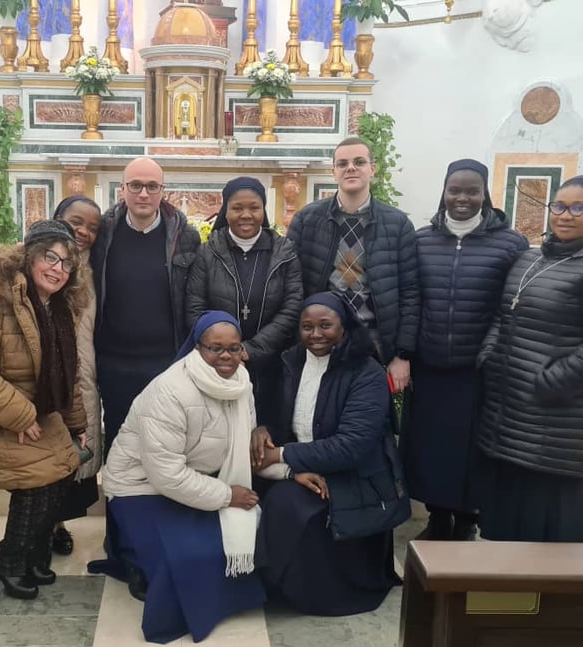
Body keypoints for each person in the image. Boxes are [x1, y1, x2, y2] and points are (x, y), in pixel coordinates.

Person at [89, 311, 266, 644]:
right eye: (215, 348)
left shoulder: (242, 383)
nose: (225, 356)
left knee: (231, 545)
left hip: (196, 482)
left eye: (233, 348)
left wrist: (285, 462)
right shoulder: (170, 390)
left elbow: (244, 443)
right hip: (140, 487)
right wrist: (228, 495)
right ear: (197, 348)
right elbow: (165, 475)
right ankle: (139, 564)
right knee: (184, 560)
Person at [0, 220, 87, 599]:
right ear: (28, 256)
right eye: (49, 257)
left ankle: (29, 554)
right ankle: (9, 559)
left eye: (66, 263)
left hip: (35, 412)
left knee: (62, 472)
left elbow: (68, 374)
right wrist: (21, 416)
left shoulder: (58, 307)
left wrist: (77, 425)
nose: (58, 269)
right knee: (40, 478)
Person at [252, 293, 405, 616]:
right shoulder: (290, 360)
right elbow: (267, 405)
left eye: (325, 326)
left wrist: (282, 455)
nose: (315, 334)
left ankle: (308, 592)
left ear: (345, 328)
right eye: (307, 327)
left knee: (289, 506)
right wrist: (261, 427)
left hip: (356, 477)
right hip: (302, 464)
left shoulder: (367, 372)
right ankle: (267, 584)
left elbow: (351, 446)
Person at [400, 159, 528, 540]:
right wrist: (408, 351)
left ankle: (469, 519)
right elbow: (413, 299)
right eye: (454, 189)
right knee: (432, 447)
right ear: (444, 191)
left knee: (472, 448)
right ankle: (438, 518)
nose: (462, 198)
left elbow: (510, 306)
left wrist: (489, 352)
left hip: (479, 367)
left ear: (485, 193)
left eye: (472, 190)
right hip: (430, 364)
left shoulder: (510, 243)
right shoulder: (421, 240)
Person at [477, 175, 583, 542]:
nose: (565, 215)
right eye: (559, 206)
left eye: (577, 208)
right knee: (508, 520)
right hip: (507, 414)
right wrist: (489, 354)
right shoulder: (529, 258)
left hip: (557, 423)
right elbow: (501, 314)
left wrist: (553, 380)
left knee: (547, 532)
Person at [287, 136, 419, 393]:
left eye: (359, 162)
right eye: (343, 163)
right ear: (333, 171)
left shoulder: (397, 224)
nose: (351, 168)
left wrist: (402, 355)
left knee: (368, 421)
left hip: (375, 346)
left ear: (373, 169)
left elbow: (411, 293)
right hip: (321, 343)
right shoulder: (307, 220)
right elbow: (292, 285)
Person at [92, 157, 200, 457]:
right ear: (122, 190)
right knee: (118, 442)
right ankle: (117, 504)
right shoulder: (102, 234)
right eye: (136, 185)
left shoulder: (184, 235)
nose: (143, 194)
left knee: (164, 443)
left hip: (166, 362)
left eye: (152, 186)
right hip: (114, 362)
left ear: (162, 191)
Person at [185, 176, 302, 427]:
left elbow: (292, 307)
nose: (246, 215)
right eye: (237, 208)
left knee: (265, 436)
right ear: (225, 211)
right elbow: (195, 306)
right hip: (218, 365)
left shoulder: (284, 251)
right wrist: (222, 351)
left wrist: (252, 349)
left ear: (264, 210)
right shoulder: (208, 252)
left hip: (271, 363)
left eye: (254, 207)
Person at [50, 196, 102, 556]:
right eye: (75, 222)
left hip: (84, 374)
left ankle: (56, 525)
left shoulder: (95, 267)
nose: (83, 232)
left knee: (73, 451)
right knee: (43, 455)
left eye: (92, 227)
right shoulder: (31, 260)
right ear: (57, 218)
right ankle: (33, 533)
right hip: (43, 375)